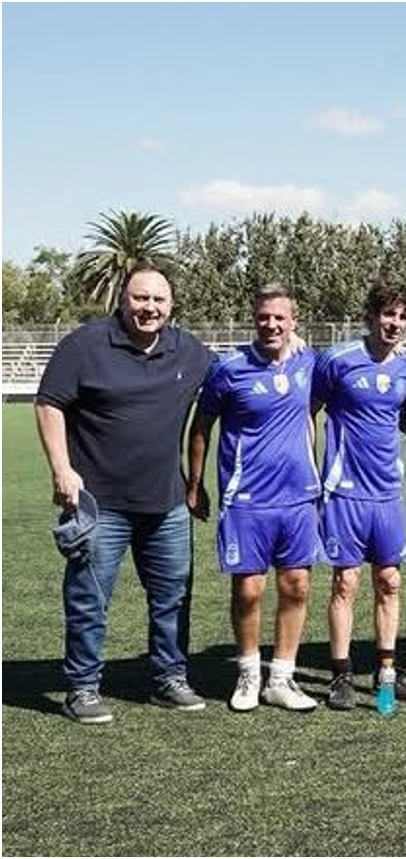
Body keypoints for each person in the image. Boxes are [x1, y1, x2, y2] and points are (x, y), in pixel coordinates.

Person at [36, 262, 214, 724]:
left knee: (173, 598)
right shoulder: (84, 346)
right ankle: (82, 688)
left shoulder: (189, 350)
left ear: (171, 305)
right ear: (123, 299)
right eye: (140, 298)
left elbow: (235, 375)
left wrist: (291, 345)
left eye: (158, 299)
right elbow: (49, 404)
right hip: (101, 504)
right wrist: (61, 470)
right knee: (88, 600)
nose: (149, 307)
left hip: (167, 503)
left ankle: (170, 679)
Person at [187, 283, 321, 713]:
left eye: (280, 317)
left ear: (293, 321)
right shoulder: (229, 368)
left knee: (297, 586)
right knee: (248, 589)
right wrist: (195, 484)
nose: (271, 324)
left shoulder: (309, 362)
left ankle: (281, 678)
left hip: (299, 497)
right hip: (246, 499)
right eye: (264, 317)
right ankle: (248, 672)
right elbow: (201, 426)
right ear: (254, 319)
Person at [313, 279, 406, 712]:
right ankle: (341, 675)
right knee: (346, 582)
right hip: (344, 492)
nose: (395, 323)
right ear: (372, 316)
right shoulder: (338, 360)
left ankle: (386, 672)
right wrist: (310, 469)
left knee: (389, 581)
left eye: (402, 316)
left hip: (387, 493)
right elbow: (306, 412)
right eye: (388, 313)